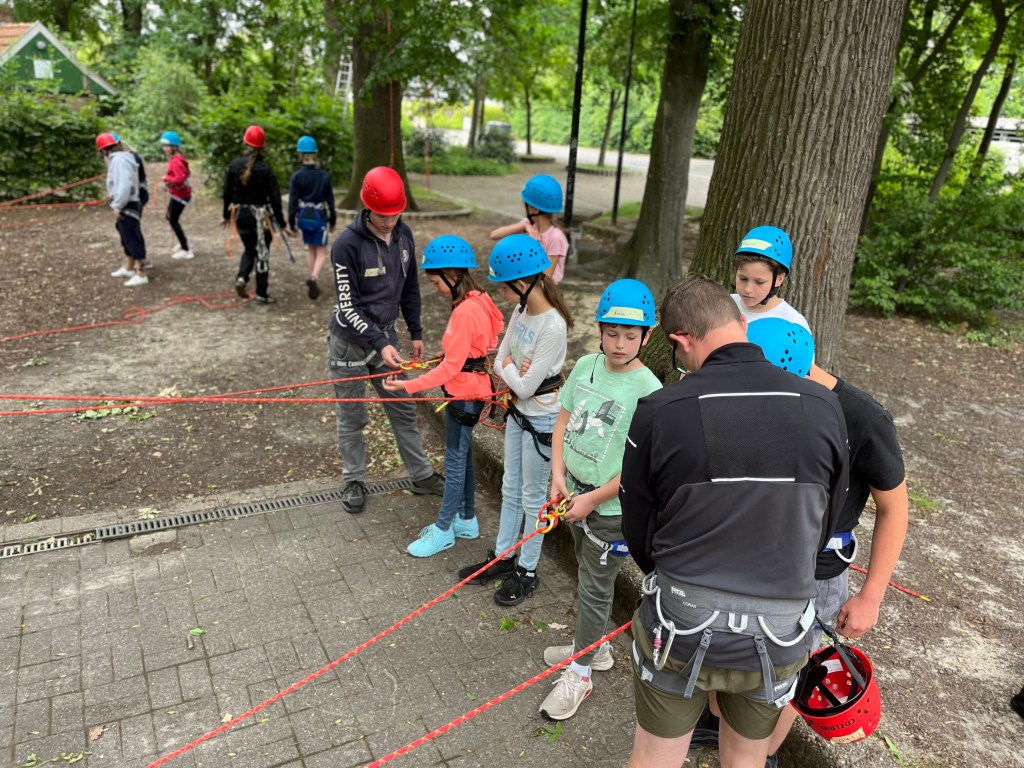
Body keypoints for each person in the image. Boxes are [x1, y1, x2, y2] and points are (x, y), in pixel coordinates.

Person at [620, 275, 848, 768]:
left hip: (681, 619)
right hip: (782, 627)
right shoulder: (823, 407)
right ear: (741, 322)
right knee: (746, 759)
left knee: (655, 756)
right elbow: (825, 523)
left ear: (680, 340)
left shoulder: (661, 410)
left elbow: (638, 526)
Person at [748, 319, 908, 767]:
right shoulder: (769, 399)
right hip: (756, 557)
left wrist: (871, 597)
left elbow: (894, 510)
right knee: (745, 660)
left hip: (817, 574)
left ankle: (764, 755)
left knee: (792, 669)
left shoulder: (865, 420)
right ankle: (732, 734)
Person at [539, 279, 662, 721]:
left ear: (647, 336)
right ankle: (595, 647)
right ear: (599, 330)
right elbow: (564, 420)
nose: (619, 343)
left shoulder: (649, 390)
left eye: (630, 335)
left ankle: (581, 672)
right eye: (612, 333)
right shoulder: (587, 366)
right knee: (586, 573)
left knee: (594, 588)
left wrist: (593, 499)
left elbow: (639, 467)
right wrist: (558, 475)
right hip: (573, 493)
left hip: (609, 510)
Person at [456, 233, 573, 606]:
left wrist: (510, 369)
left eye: (503, 287)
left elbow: (523, 385)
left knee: (533, 496)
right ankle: (504, 557)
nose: (501, 293)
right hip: (519, 415)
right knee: (510, 487)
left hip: (541, 421)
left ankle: (527, 569)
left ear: (522, 283)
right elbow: (499, 358)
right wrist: (511, 368)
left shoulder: (553, 326)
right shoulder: (521, 311)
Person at [327, 166, 445, 514]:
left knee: (403, 407)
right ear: (367, 207)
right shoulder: (346, 246)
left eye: (395, 215)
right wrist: (380, 341)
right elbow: (348, 307)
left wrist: (416, 330)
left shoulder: (403, 234)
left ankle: (421, 476)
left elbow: (409, 287)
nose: (390, 222)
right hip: (349, 344)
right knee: (351, 416)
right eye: (383, 216)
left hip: (387, 341)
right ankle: (354, 480)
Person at [382, 235, 504, 556]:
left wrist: (408, 385)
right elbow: (479, 344)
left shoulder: (464, 312)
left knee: (454, 461)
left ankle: (443, 528)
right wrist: (449, 354)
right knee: (463, 456)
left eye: (436, 282)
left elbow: (451, 369)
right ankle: (466, 519)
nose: (435, 288)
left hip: (463, 396)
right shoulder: (478, 299)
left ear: (452, 276)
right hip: (472, 393)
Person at [221, 125, 288, 304]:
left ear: (245, 143)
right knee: (262, 252)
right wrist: (281, 223)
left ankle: (242, 277)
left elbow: (227, 193)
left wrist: (226, 215)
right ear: (263, 147)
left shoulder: (234, 165)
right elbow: (275, 198)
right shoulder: (266, 169)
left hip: (241, 216)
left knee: (250, 249)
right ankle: (261, 293)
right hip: (261, 218)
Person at [489, 174, 569, 283]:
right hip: (528, 286)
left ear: (535, 209)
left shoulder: (556, 238)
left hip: (543, 290)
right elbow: (494, 235)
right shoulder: (530, 224)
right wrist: (524, 226)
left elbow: (545, 280)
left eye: (526, 204)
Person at [731, 226, 809, 330]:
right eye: (743, 279)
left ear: (779, 279)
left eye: (759, 282)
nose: (748, 289)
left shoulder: (793, 324)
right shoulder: (721, 306)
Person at [288, 135, 336, 299]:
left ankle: (312, 280)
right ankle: (314, 278)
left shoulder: (296, 176)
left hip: (304, 218)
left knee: (311, 249)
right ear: (315, 154)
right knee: (321, 251)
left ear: (300, 155)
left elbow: (293, 202)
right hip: (319, 218)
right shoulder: (323, 176)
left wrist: (292, 223)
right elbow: (330, 201)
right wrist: (333, 220)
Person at [97, 132, 148, 287]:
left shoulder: (119, 160)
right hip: (128, 201)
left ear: (104, 150)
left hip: (127, 203)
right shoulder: (123, 158)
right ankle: (129, 267)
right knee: (125, 234)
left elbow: (124, 185)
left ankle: (141, 273)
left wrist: (118, 205)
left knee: (132, 236)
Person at [159, 131, 193, 260]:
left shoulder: (176, 161)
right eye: (164, 146)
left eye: (167, 146)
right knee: (170, 217)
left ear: (175, 146)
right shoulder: (178, 158)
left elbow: (179, 179)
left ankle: (186, 249)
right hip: (180, 193)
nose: (165, 148)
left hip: (180, 195)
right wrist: (170, 183)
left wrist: (167, 179)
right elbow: (185, 175)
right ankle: (183, 243)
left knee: (172, 219)